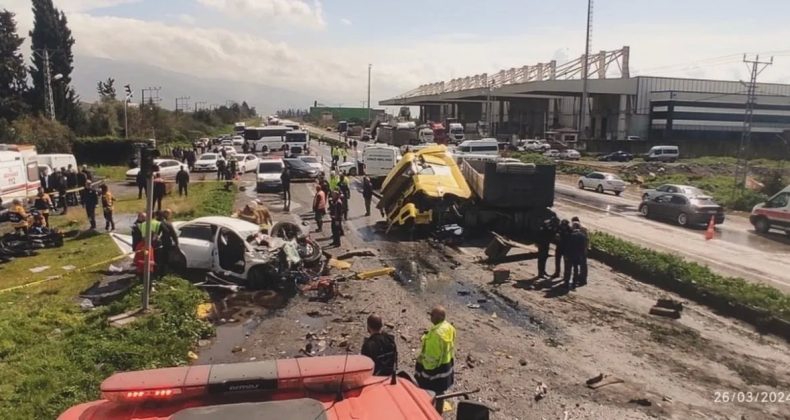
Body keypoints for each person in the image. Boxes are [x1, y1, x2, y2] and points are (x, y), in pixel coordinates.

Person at [415, 305, 456, 402]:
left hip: (434, 370)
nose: (430, 317)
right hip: (447, 364)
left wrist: (425, 372)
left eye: (432, 315)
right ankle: (439, 410)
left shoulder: (435, 335)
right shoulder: (449, 327)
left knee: (428, 392)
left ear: (438, 317)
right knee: (440, 391)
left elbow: (431, 358)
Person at [155, 209, 179, 278]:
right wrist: (177, 244)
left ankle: (156, 274)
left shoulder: (155, 223)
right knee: (164, 261)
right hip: (166, 245)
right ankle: (162, 275)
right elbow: (174, 235)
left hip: (157, 245)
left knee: (157, 260)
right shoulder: (168, 224)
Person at [567, 222, 588, 290]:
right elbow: (584, 245)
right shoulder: (583, 235)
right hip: (579, 254)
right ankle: (574, 282)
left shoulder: (573, 235)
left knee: (569, 268)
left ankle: (568, 282)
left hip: (572, 253)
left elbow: (569, 245)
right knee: (576, 268)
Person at [571, 216, 589, 286]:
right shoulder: (583, 227)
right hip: (584, 248)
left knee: (582, 264)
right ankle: (581, 277)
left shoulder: (580, 228)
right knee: (583, 264)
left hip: (581, 248)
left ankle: (583, 279)